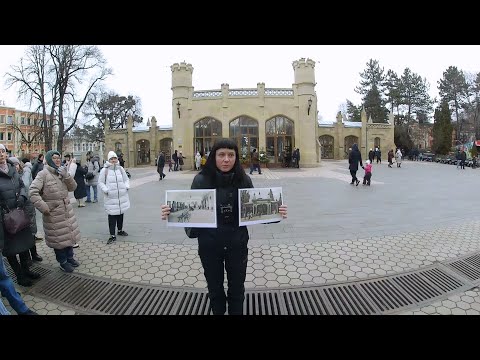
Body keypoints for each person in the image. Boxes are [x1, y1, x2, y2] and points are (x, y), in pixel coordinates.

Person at [161, 138, 288, 315]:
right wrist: (172, 212)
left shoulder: (244, 180)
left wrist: (276, 212)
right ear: (214, 157)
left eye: (231, 155)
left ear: (236, 157)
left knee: (237, 290)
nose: (226, 159)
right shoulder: (201, 180)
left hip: (237, 245)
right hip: (209, 246)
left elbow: (256, 211)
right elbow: (189, 210)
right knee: (215, 289)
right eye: (221, 155)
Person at [29, 150, 81, 273]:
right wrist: (45, 208)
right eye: (54, 158)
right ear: (48, 160)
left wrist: (66, 175)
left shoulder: (62, 172)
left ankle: (70, 258)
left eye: (58, 157)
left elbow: (73, 187)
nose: (57, 160)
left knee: (68, 236)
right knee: (58, 240)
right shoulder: (43, 174)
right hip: (53, 214)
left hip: (66, 212)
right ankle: (63, 262)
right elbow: (32, 192)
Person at [0, 147, 40, 287]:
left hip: (19, 213)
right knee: (11, 249)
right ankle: (19, 275)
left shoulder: (13, 169)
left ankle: (26, 270)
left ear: (6, 153)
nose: (1, 154)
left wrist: (22, 196)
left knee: (23, 245)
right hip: (5, 218)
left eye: (2, 151)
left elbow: (22, 185)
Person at [9, 157, 43, 265]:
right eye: (13, 165)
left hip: (28, 206)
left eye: (16, 164)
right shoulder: (10, 177)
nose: (15, 166)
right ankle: (27, 257)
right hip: (17, 209)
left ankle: (34, 254)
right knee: (22, 234)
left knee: (31, 232)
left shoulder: (25, 173)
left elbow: (28, 187)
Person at [98, 151, 130, 245]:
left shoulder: (120, 169)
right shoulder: (105, 170)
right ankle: (112, 235)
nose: (113, 160)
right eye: (111, 159)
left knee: (120, 214)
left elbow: (126, 179)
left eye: (114, 158)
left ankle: (120, 230)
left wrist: (126, 187)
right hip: (111, 198)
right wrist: (106, 190)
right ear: (108, 160)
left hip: (121, 197)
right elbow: (101, 182)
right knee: (112, 216)